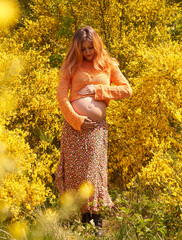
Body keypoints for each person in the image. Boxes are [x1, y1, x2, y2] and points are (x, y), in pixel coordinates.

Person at [54, 26, 132, 236]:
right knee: (78, 175)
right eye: (83, 49)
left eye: (91, 48)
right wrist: (77, 120)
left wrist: (97, 90)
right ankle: (84, 219)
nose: (88, 53)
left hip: (97, 129)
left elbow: (126, 89)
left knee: (93, 173)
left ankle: (97, 221)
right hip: (75, 128)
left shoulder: (108, 64)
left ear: (96, 45)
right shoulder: (71, 66)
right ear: (76, 49)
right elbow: (62, 97)